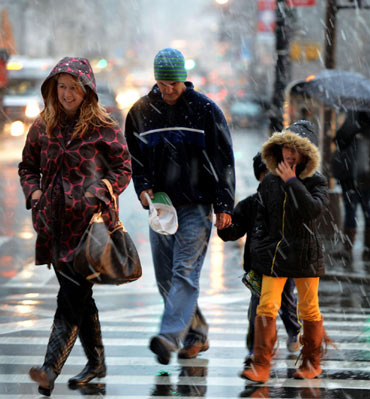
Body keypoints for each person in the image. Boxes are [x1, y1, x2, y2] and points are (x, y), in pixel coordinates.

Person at [18, 57, 132, 396]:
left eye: (74, 88)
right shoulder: (43, 124)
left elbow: (123, 167)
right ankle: (96, 362)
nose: (67, 94)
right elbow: (27, 166)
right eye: (62, 87)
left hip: (89, 229)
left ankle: (50, 369)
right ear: (54, 89)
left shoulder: (103, 126)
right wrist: (35, 192)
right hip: (53, 226)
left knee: (71, 295)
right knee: (80, 295)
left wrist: (100, 190)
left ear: (87, 90)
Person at [124, 48, 235, 365]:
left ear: (184, 79)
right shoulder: (141, 112)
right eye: (163, 83)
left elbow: (223, 160)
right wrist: (143, 189)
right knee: (166, 280)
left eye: (174, 83)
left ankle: (169, 337)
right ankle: (197, 332)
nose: (169, 90)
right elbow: (136, 161)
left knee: (184, 272)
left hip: (196, 207)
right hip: (161, 208)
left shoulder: (205, 110)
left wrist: (224, 203)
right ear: (156, 79)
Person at [240, 120, 329, 383]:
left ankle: (312, 362)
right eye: (286, 147)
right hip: (276, 255)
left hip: (305, 255)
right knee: (266, 306)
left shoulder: (316, 181)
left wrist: (292, 182)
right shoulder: (269, 181)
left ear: (306, 153)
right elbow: (261, 218)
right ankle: (261, 365)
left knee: (309, 309)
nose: (289, 153)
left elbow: (312, 210)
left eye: (296, 149)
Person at [217, 152, 301, 368]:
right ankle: (256, 349)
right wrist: (225, 227)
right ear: (259, 176)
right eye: (266, 175)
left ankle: (294, 332)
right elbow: (235, 228)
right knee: (257, 311)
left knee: (287, 304)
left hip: (284, 267)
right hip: (259, 268)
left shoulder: (288, 203)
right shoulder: (251, 204)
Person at [332, 111, 370, 264]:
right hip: (369, 173)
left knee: (351, 210)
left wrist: (349, 127)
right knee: (368, 209)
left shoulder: (353, 119)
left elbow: (338, 141)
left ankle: (348, 249)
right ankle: (369, 250)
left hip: (350, 173)